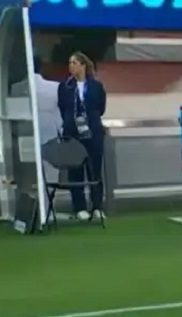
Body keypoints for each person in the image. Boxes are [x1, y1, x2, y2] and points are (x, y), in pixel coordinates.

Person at [57, 51, 107, 222]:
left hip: (92, 132)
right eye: (69, 63)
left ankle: (97, 207)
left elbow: (101, 108)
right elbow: (63, 108)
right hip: (73, 133)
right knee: (75, 170)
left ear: (83, 65)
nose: (71, 66)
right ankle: (79, 207)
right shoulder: (65, 86)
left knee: (94, 170)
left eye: (74, 63)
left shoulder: (96, 86)